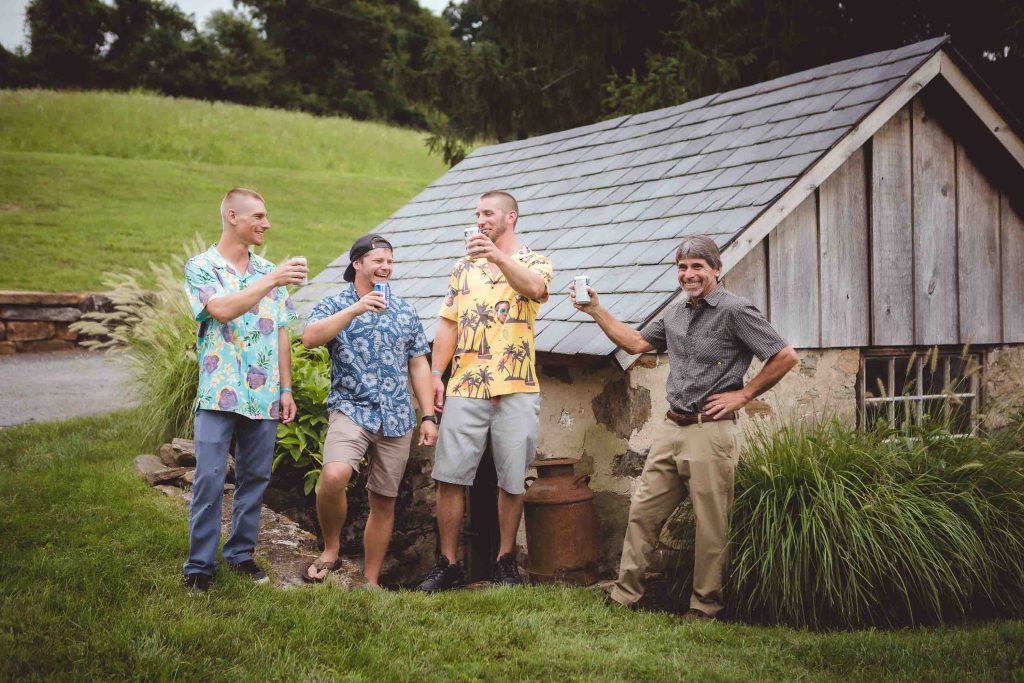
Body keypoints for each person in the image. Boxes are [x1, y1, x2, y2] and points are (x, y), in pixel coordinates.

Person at [572, 235, 797, 619]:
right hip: (671, 428)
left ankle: (705, 605)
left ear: (715, 270)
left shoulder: (735, 311)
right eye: (682, 267)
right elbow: (637, 342)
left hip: (711, 432)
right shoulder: (676, 312)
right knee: (643, 512)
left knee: (711, 526)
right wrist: (596, 309)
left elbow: (785, 355)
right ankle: (626, 595)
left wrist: (743, 395)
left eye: (697, 266)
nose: (689, 274)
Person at [416, 191, 553, 592]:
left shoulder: (535, 261)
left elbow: (535, 288)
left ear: (510, 217)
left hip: (518, 385)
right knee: (450, 476)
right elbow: (448, 324)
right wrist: (437, 374)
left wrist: (496, 256)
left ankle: (504, 560)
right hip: (466, 385)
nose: (480, 220)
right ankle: (448, 563)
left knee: (512, 479)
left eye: (487, 213)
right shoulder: (462, 268)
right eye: (476, 214)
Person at [182, 188, 307, 591]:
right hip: (219, 393)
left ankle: (240, 555)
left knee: (255, 478)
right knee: (210, 479)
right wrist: (271, 278)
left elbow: (282, 334)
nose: (266, 224)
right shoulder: (201, 267)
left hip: (265, 394)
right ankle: (199, 566)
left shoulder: (271, 269)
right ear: (232, 217)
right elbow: (221, 310)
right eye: (258, 216)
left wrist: (286, 388)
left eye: (266, 216)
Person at [300, 234, 438, 586]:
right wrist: (355, 309)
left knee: (384, 500)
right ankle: (331, 548)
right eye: (378, 260)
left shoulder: (405, 310)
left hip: (396, 416)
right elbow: (310, 337)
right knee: (333, 477)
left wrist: (427, 415)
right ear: (357, 264)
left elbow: (419, 364)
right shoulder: (335, 304)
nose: (386, 266)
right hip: (351, 407)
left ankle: (371, 580)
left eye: (390, 261)